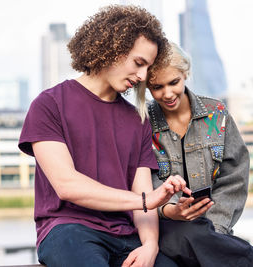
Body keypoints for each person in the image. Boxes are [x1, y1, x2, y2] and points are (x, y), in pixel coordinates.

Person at [18, 6, 190, 267]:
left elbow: (142, 190)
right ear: (112, 48)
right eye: (139, 63)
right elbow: (67, 186)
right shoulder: (49, 105)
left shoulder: (138, 120)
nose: (143, 76)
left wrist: (151, 245)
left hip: (125, 236)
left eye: (148, 68)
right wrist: (146, 201)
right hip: (68, 230)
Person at [135, 42, 253, 267]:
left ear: (185, 73)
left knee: (195, 234)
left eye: (174, 82)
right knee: (187, 233)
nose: (167, 93)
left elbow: (234, 179)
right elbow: (144, 183)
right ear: (147, 87)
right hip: (164, 225)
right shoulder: (142, 123)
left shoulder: (216, 114)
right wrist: (170, 211)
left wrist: (214, 231)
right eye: (157, 87)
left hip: (211, 233)